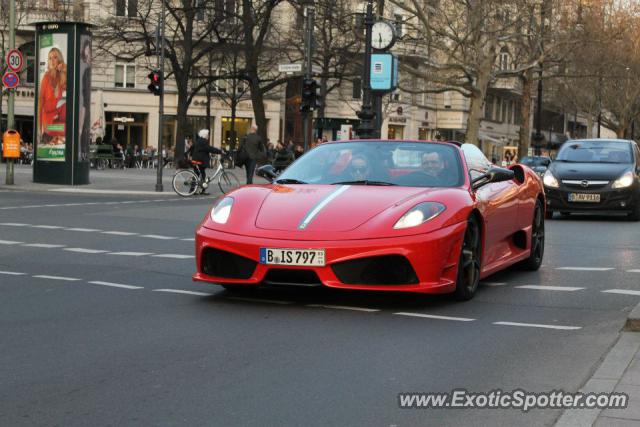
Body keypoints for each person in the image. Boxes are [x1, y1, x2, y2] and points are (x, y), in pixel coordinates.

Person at [38, 47, 67, 145]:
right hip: (48, 123)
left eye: (55, 57)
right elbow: (40, 103)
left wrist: (64, 68)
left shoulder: (61, 77)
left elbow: (72, 87)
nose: (52, 61)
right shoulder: (46, 77)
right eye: (50, 58)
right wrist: (39, 127)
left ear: (59, 59)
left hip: (57, 120)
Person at [187, 129, 223, 195]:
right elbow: (209, 148)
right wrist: (220, 151)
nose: (208, 136)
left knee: (199, 175)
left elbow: (196, 148)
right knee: (200, 174)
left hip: (197, 159)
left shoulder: (199, 141)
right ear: (205, 135)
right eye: (208, 134)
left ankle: (197, 190)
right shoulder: (203, 141)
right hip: (199, 160)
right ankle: (197, 190)